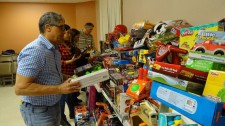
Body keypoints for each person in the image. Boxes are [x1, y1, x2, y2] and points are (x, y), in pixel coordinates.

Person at [15, 12, 81, 126]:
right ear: (48, 27)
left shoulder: (53, 49)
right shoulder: (35, 51)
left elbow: (50, 73)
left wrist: (67, 78)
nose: (65, 32)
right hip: (38, 111)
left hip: (53, 106)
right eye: (62, 27)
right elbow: (21, 88)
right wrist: (60, 89)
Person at [58, 26, 82, 126]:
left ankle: (72, 114)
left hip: (71, 73)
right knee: (62, 98)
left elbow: (73, 52)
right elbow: (58, 62)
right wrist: (71, 61)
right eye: (67, 32)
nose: (68, 34)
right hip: (63, 74)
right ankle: (62, 118)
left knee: (69, 96)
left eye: (68, 32)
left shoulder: (68, 44)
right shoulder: (58, 46)